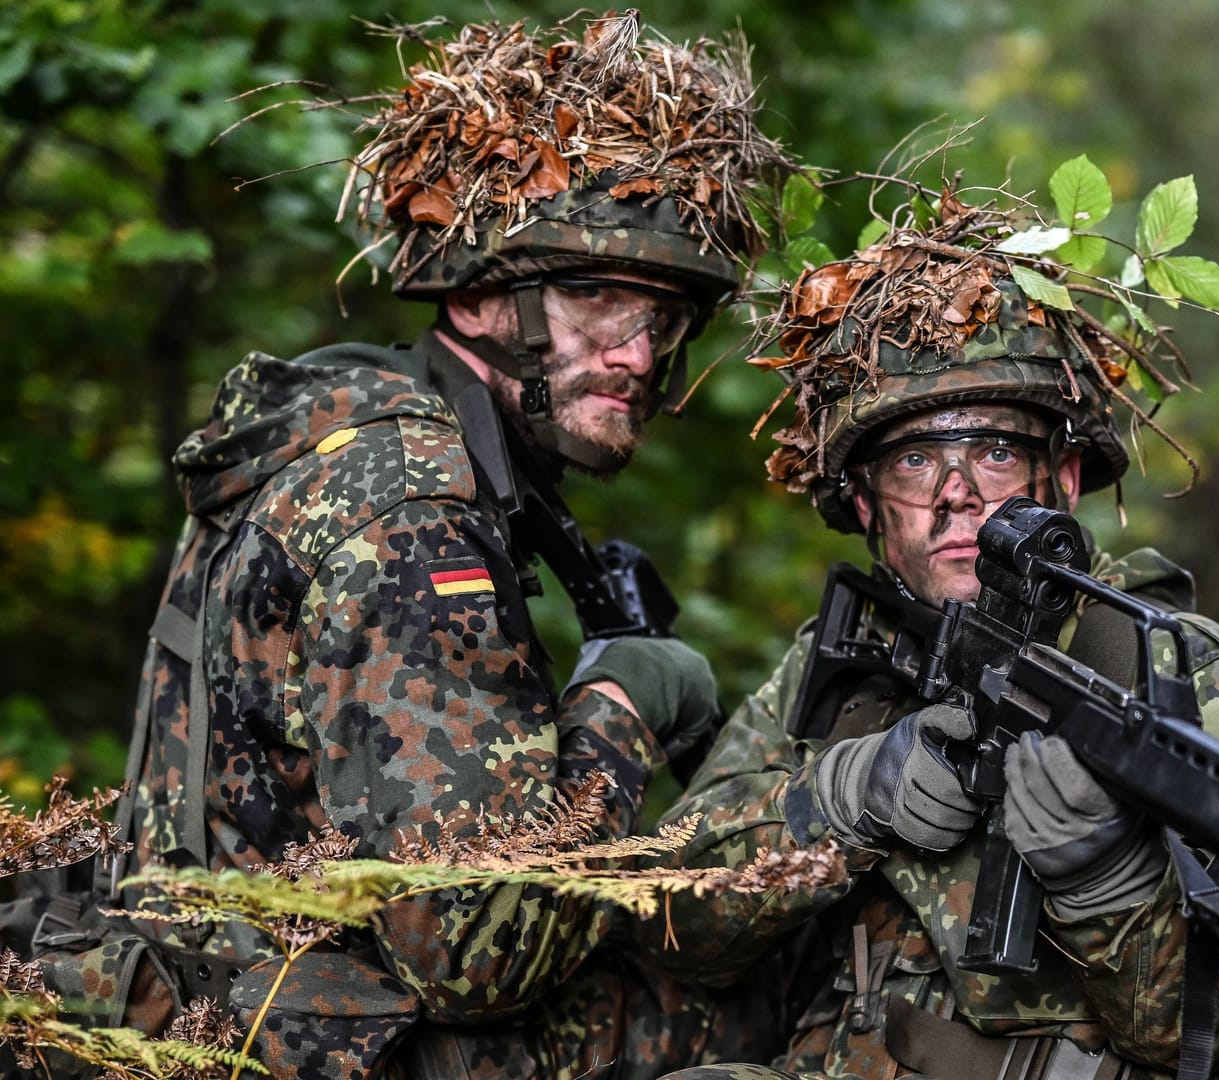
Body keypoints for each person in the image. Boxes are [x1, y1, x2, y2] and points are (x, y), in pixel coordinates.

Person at [112, 14, 789, 1077]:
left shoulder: (349, 428)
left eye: (664, 320)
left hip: (223, 997)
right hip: (301, 1038)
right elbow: (476, 949)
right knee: (773, 1009)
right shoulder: (413, 507)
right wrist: (626, 702)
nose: (639, 352)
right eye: (599, 299)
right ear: (480, 296)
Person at [647, 194, 1219, 1079]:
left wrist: (1109, 885)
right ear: (866, 505)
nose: (955, 496)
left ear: (1060, 479)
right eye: (913, 461)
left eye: (993, 454)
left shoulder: (1173, 667)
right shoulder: (833, 669)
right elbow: (670, 926)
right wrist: (833, 804)